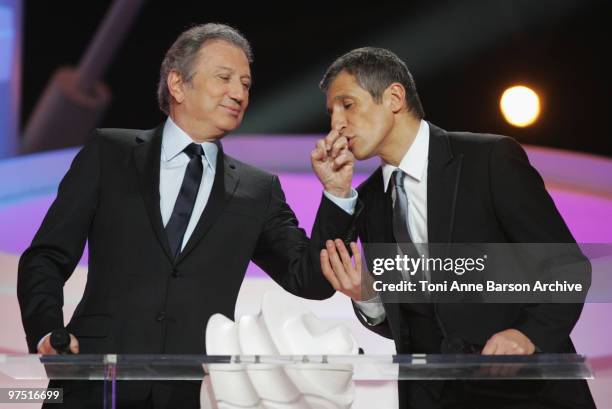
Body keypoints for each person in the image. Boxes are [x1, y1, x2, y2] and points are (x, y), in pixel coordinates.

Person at [17, 23, 355, 408]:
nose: (239, 93)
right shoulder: (109, 152)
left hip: (192, 394)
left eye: (245, 83)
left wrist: (337, 194)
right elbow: (46, 257)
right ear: (177, 84)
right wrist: (47, 333)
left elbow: (311, 279)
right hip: (94, 385)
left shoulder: (258, 190)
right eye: (225, 78)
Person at [317, 47, 595, 408]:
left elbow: (567, 268)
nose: (336, 123)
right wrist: (368, 296)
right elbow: (411, 325)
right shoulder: (369, 201)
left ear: (394, 97)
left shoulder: (490, 160)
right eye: (331, 112)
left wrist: (527, 334)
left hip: (527, 394)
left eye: (347, 104)